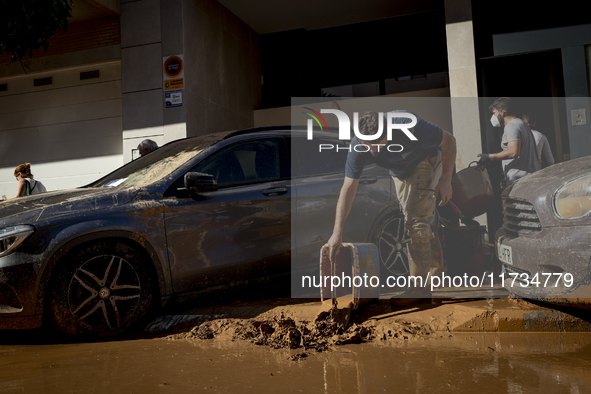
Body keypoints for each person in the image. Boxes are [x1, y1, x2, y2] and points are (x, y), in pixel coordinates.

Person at [327, 111, 457, 306]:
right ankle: (437, 274)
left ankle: (419, 288)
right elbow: (348, 188)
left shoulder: (408, 124)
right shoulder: (359, 144)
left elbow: (449, 140)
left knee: (416, 221)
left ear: (388, 131)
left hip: (426, 160)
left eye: (377, 144)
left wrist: (446, 180)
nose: (371, 151)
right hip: (400, 172)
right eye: (367, 145)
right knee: (413, 219)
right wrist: (337, 231)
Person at [478, 98, 541, 186]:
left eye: (494, 113)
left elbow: (513, 152)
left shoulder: (511, 126)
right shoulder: (521, 124)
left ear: (503, 112)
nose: (493, 117)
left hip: (521, 182)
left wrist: (489, 156)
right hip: (530, 179)